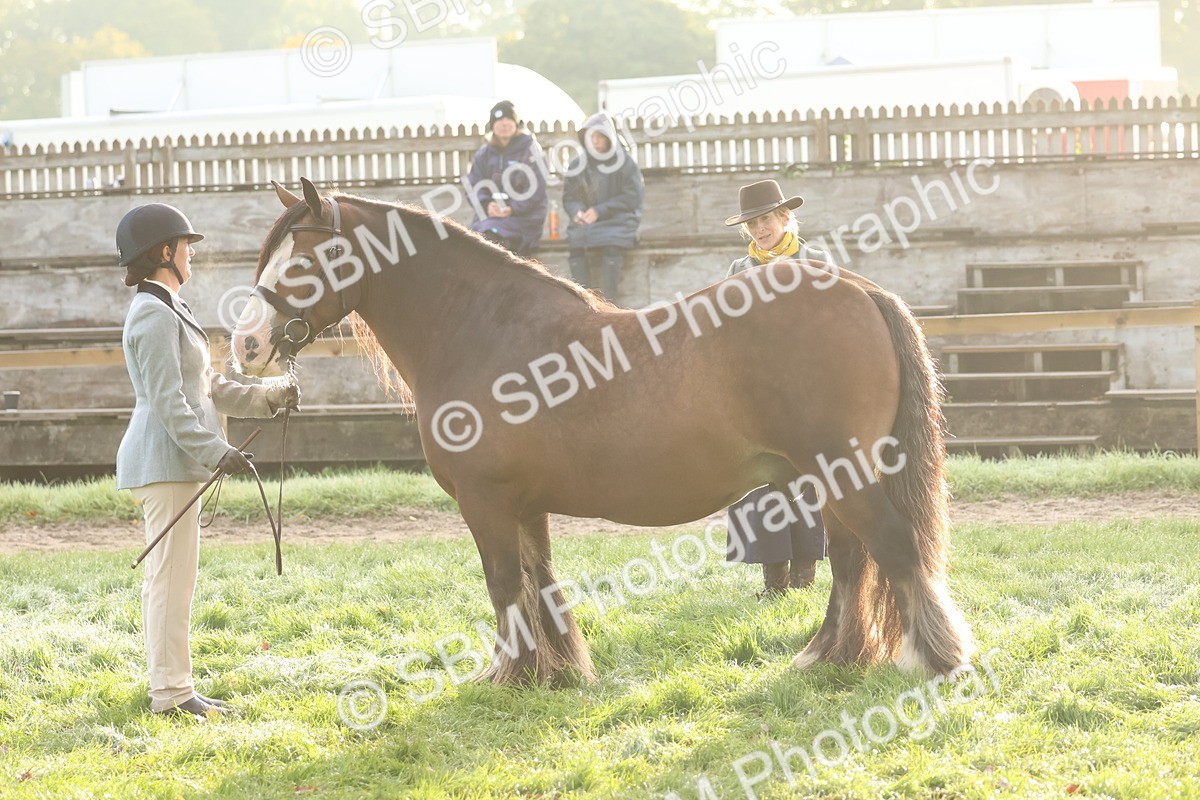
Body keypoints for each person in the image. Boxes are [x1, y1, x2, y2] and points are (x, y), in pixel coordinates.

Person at [114, 203, 298, 719]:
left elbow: (206, 388)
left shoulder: (172, 305)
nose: (192, 254)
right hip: (164, 462)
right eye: (185, 246)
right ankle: (171, 696)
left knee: (173, 580)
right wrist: (217, 451)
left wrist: (270, 396)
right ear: (165, 252)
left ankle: (172, 686)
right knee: (170, 581)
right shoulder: (152, 313)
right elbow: (169, 402)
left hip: (177, 462)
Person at [722, 179, 827, 598]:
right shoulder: (737, 270)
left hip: (805, 384)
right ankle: (774, 580)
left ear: (785, 217)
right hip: (756, 389)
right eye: (752, 223)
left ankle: (804, 573)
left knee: (803, 475)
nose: (759, 228)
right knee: (759, 475)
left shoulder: (815, 260)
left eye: (766, 218)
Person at [562, 112, 644, 301]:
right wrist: (577, 212)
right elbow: (569, 197)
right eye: (591, 137)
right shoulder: (578, 164)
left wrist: (600, 210)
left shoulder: (625, 163)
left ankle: (608, 302)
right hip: (587, 223)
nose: (595, 141)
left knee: (611, 244)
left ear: (609, 138)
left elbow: (633, 197)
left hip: (619, 220)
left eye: (600, 136)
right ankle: (581, 301)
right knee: (576, 242)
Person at [465, 100, 548, 256]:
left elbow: (536, 191)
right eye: (499, 120)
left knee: (490, 238)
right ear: (492, 126)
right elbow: (473, 185)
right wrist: (486, 204)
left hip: (524, 219)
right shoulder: (484, 153)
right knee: (473, 239)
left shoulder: (530, 150)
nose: (504, 124)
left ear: (516, 123)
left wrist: (512, 208)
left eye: (509, 119)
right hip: (490, 219)